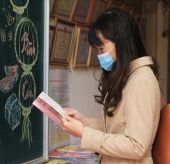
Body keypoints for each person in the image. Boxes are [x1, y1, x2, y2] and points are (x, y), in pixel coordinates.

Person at [61, 7, 161, 164]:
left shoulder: (141, 81)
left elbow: (136, 146)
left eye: (102, 49)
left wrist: (84, 134)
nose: (100, 56)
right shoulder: (128, 77)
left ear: (121, 42)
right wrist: (84, 122)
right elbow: (117, 129)